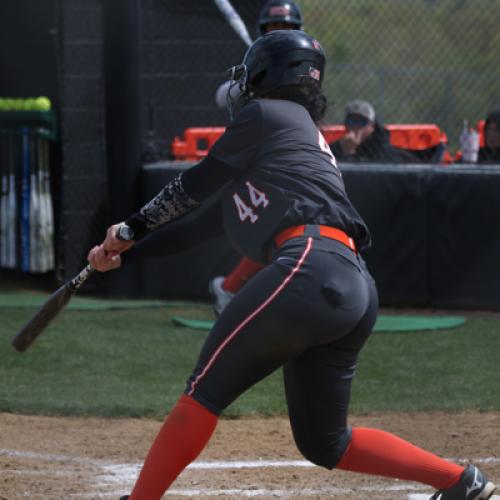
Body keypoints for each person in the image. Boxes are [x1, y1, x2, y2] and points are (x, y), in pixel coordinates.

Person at [87, 31, 496, 500]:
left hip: (310, 265)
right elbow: (196, 230)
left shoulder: (267, 114)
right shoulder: (295, 143)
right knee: (326, 442)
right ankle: (461, 482)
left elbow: (193, 185)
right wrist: (121, 254)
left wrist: (127, 229)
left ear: (264, 77)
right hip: (354, 286)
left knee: (204, 389)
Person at [211, 0, 305, 313]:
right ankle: (231, 289)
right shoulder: (253, 67)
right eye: (275, 28)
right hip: (261, 159)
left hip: (297, 156)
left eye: (287, 28)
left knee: (285, 228)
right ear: (263, 31)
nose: (281, 33)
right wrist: (250, 81)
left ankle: (230, 288)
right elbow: (222, 96)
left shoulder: (306, 64)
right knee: (276, 225)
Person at [329, 99, 407, 163]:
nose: (355, 126)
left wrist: (349, 153)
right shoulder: (339, 146)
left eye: (361, 122)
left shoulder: (381, 147)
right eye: (351, 121)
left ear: (372, 126)